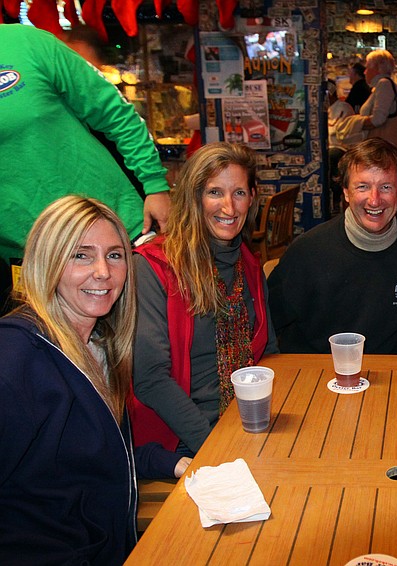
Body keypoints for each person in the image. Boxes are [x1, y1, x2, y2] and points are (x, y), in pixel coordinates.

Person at [0, 196, 188, 565]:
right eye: (81, 255)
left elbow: (84, 455)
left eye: (114, 255)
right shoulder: (16, 357)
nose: (103, 272)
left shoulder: (99, 345)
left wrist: (170, 463)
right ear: (47, 261)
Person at [130, 142, 278, 456]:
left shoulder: (248, 264)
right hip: (186, 440)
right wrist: (217, 448)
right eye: (214, 192)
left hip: (248, 422)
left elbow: (270, 352)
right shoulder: (155, 267)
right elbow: (151, 379)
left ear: (252, 198)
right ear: (193, 197)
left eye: (239, 193)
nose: (229, 207)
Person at [0, 24, 170, 263]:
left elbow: (113, 111)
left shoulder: (24, 43)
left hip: (115, 228)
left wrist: (154, 185)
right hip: (32, 257)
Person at [268, 138, 397, 354]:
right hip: (317, 366)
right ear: (346, 193)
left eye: (385, 187)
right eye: (363, 187)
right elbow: (266, 322)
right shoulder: (307, 252)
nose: (374, 200)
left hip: (385, 367)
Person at [327, 78, 354, 215]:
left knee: (332, 156)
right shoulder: (324, 109)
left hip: (342, 147)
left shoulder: (343, 108)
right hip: (328, 148)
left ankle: (336, 197)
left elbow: (341, 133)